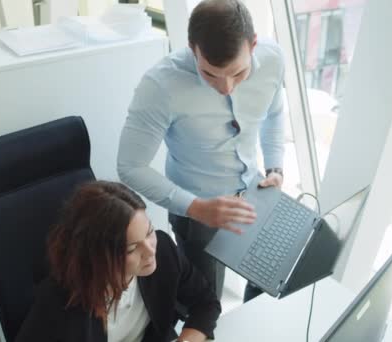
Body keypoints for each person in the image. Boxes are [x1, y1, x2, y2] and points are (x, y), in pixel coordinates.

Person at [117, 0, 285, 302]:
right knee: (205, 307)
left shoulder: (273, 59)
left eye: (239, 73)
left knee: (270, 286)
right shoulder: (160, 85)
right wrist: (196, 208)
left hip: (256, 194)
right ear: (192, 49)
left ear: (254, 44)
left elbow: (274, 113)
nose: (227, 87)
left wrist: (275, 167)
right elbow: (130, 165)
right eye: (210, 74)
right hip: (196, 215)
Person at [16, 181, 221, 342]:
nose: (150, 251)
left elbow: (206, 302)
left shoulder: (164, 251)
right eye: (132, 248)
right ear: (100, 256)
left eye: (149, 232)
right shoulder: (58, 300)